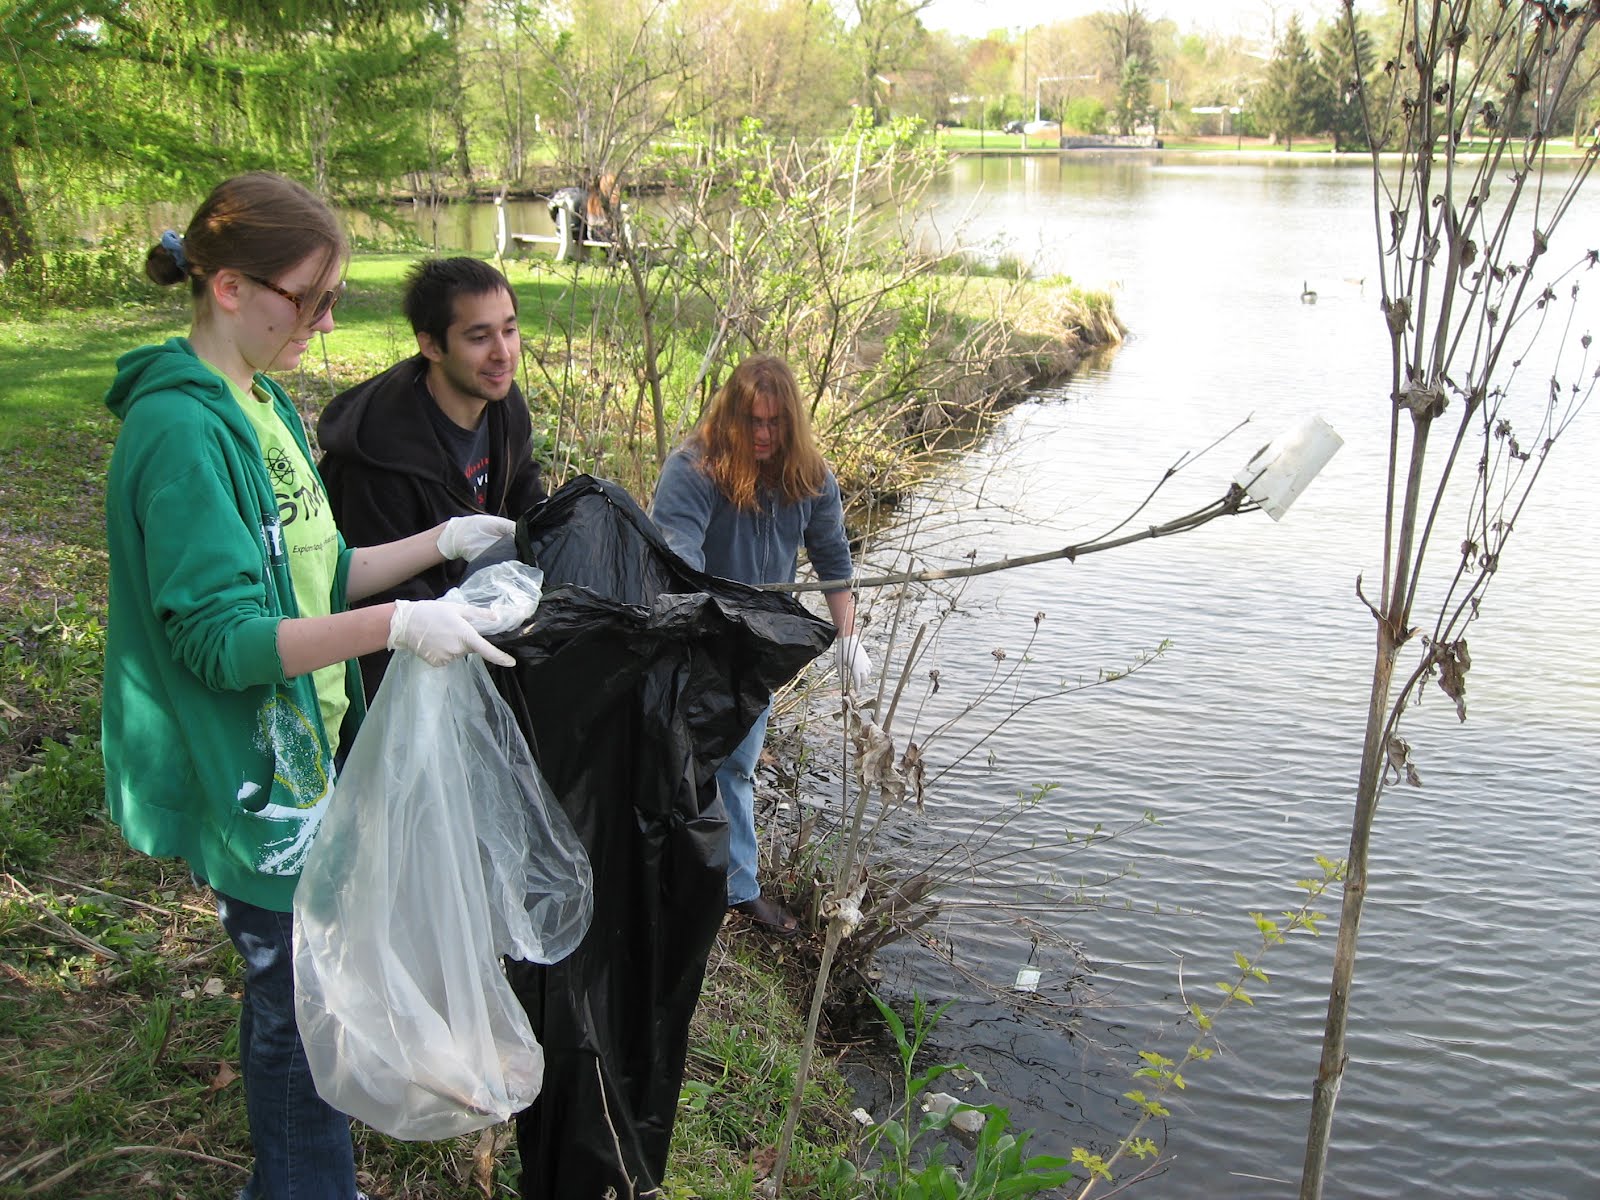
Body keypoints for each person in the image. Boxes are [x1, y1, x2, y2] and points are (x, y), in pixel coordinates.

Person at [102, 172, 519, 1200]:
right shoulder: (184, 432)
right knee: (299, 1006)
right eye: (311, 298)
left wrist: (438, 544)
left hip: (304, 749)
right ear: (233, 288)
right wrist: (399, 625)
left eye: (334, 300)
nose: (327, 323)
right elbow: (218, 641)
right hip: (246, 773)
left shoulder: (264, 401)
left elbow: (313, 574)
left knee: (308, 987)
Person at [650, 354, 872, 936]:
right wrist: (701, 631)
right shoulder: (693, 469)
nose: (765, 434)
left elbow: (832, 559)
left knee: (738, 765)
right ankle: (669, 873)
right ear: (731, 417)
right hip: (694, 632)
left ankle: (735, 886)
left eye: (776, 422)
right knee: (677, 760)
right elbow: (677, 560)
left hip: (759, 643)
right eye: (753, 421)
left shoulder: (810, 477)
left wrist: (847, 636)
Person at [317, 256, 544, 700]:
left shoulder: (502, 404)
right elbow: (379, 599)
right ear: (431, 345)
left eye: (510, 330)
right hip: (388, 664)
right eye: (479, 337)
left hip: (466, 622)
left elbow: (527, 498)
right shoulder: (378, 454)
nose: (503, 353)